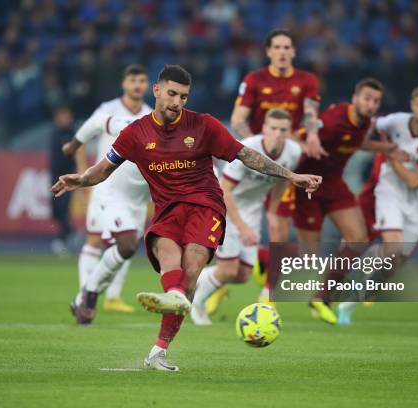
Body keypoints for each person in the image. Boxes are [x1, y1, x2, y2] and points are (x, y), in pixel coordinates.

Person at [51, 65, 322, 371]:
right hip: (166, 210)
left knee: (191, 267)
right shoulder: (135, 133)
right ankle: (176, 297)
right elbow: (105, 167)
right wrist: (82, 180)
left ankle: (159, 348)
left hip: (205, 206)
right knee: (168, 255)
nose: (177, 101)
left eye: (183, 96)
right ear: (156, 91)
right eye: (171, 94)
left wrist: (291, 175)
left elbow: (246, 154)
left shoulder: (203, 126)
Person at [337, 85, 418, 324]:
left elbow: (413, 180)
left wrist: (389, 155)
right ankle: (363, 261)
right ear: (412, 106)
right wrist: (380, 146)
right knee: (394, 246)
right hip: (388, 191)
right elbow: (363, 129)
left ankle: (351, 302)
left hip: (416, 203)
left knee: (396, 262)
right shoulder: (395, 122)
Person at [228, 28, 322, 306]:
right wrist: (252, 149)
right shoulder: (254, 79)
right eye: (277, 47)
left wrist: (312, 134)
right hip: (254, 166)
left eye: (287, 47)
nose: (282, 51)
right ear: (269, 51)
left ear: (293, 51)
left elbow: (310, 116)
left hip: (286, 162)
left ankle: (268, 293)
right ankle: (232, 271)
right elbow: (237, 119)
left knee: (278, 227)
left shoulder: (306, 80)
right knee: (235, 220)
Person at [288, 78, 394, 324]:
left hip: (334, 184)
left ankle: (322, 298)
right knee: (307, 258)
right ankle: (255, 261)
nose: (371, 105)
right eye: (367, 99)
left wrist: (386, 148)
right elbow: (297, 137)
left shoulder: (365, 123)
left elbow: (358, 142)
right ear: (355, 98)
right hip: (307, 186)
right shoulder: (335, 119)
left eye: (376, 101)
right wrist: (307, 146)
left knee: (358, 239)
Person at [190, 108, 302, 325]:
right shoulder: (247, 148)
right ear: (264, 129)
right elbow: (225, 191)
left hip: (252, 211)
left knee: (242, 275)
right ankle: (197, 305)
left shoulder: (293, 152)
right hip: (223, 207)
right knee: (228, 270)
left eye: (283, 130)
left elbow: (282, 181)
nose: (278, 134)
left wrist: (272, 211)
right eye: (273, 128)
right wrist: (243, 228)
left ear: (289, 132)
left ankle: (190, 279)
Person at [62, 64, 152, 313]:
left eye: (141, 80)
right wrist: (84, 177)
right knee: (97, 240)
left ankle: (108, 296)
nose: (137, 85)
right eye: (133, 80)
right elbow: (89, 132)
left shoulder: (150, 114)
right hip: (106, 186)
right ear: (124, 83)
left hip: (137, 193)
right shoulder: (111, 112)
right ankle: (85, 295)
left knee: (127, 245)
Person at [49, 105, 76, 254]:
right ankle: (70, 233)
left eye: (66, 115)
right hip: (54, 176)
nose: (63, 119)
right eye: (61, 115)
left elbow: (77, 155)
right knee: (56, 209)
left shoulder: (73, 134)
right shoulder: (55, 133)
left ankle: (63, 238)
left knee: (63, 208)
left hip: (68, 177)